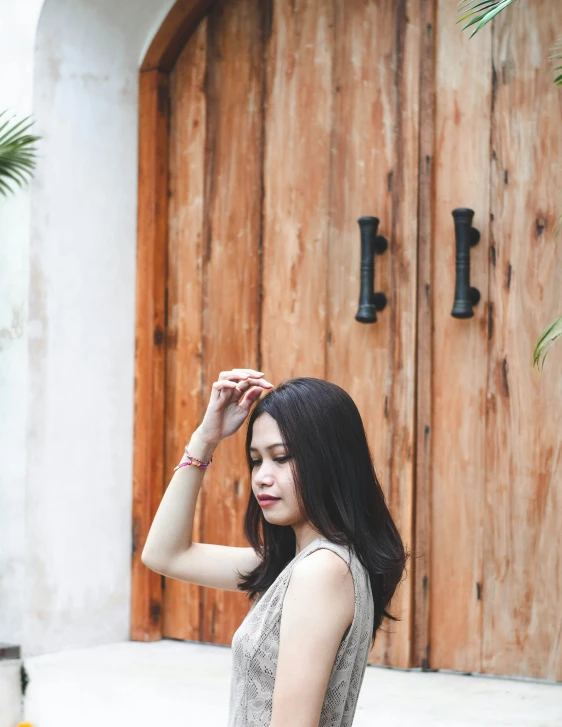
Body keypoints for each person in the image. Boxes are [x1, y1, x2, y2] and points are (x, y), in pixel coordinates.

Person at [142, 368, 407, 726]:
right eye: (256, 460)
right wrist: (205, 438)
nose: (262, 476)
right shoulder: (297, 565)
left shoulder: (322, 571)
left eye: (280, 457)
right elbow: (164, 554)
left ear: (328, 462)